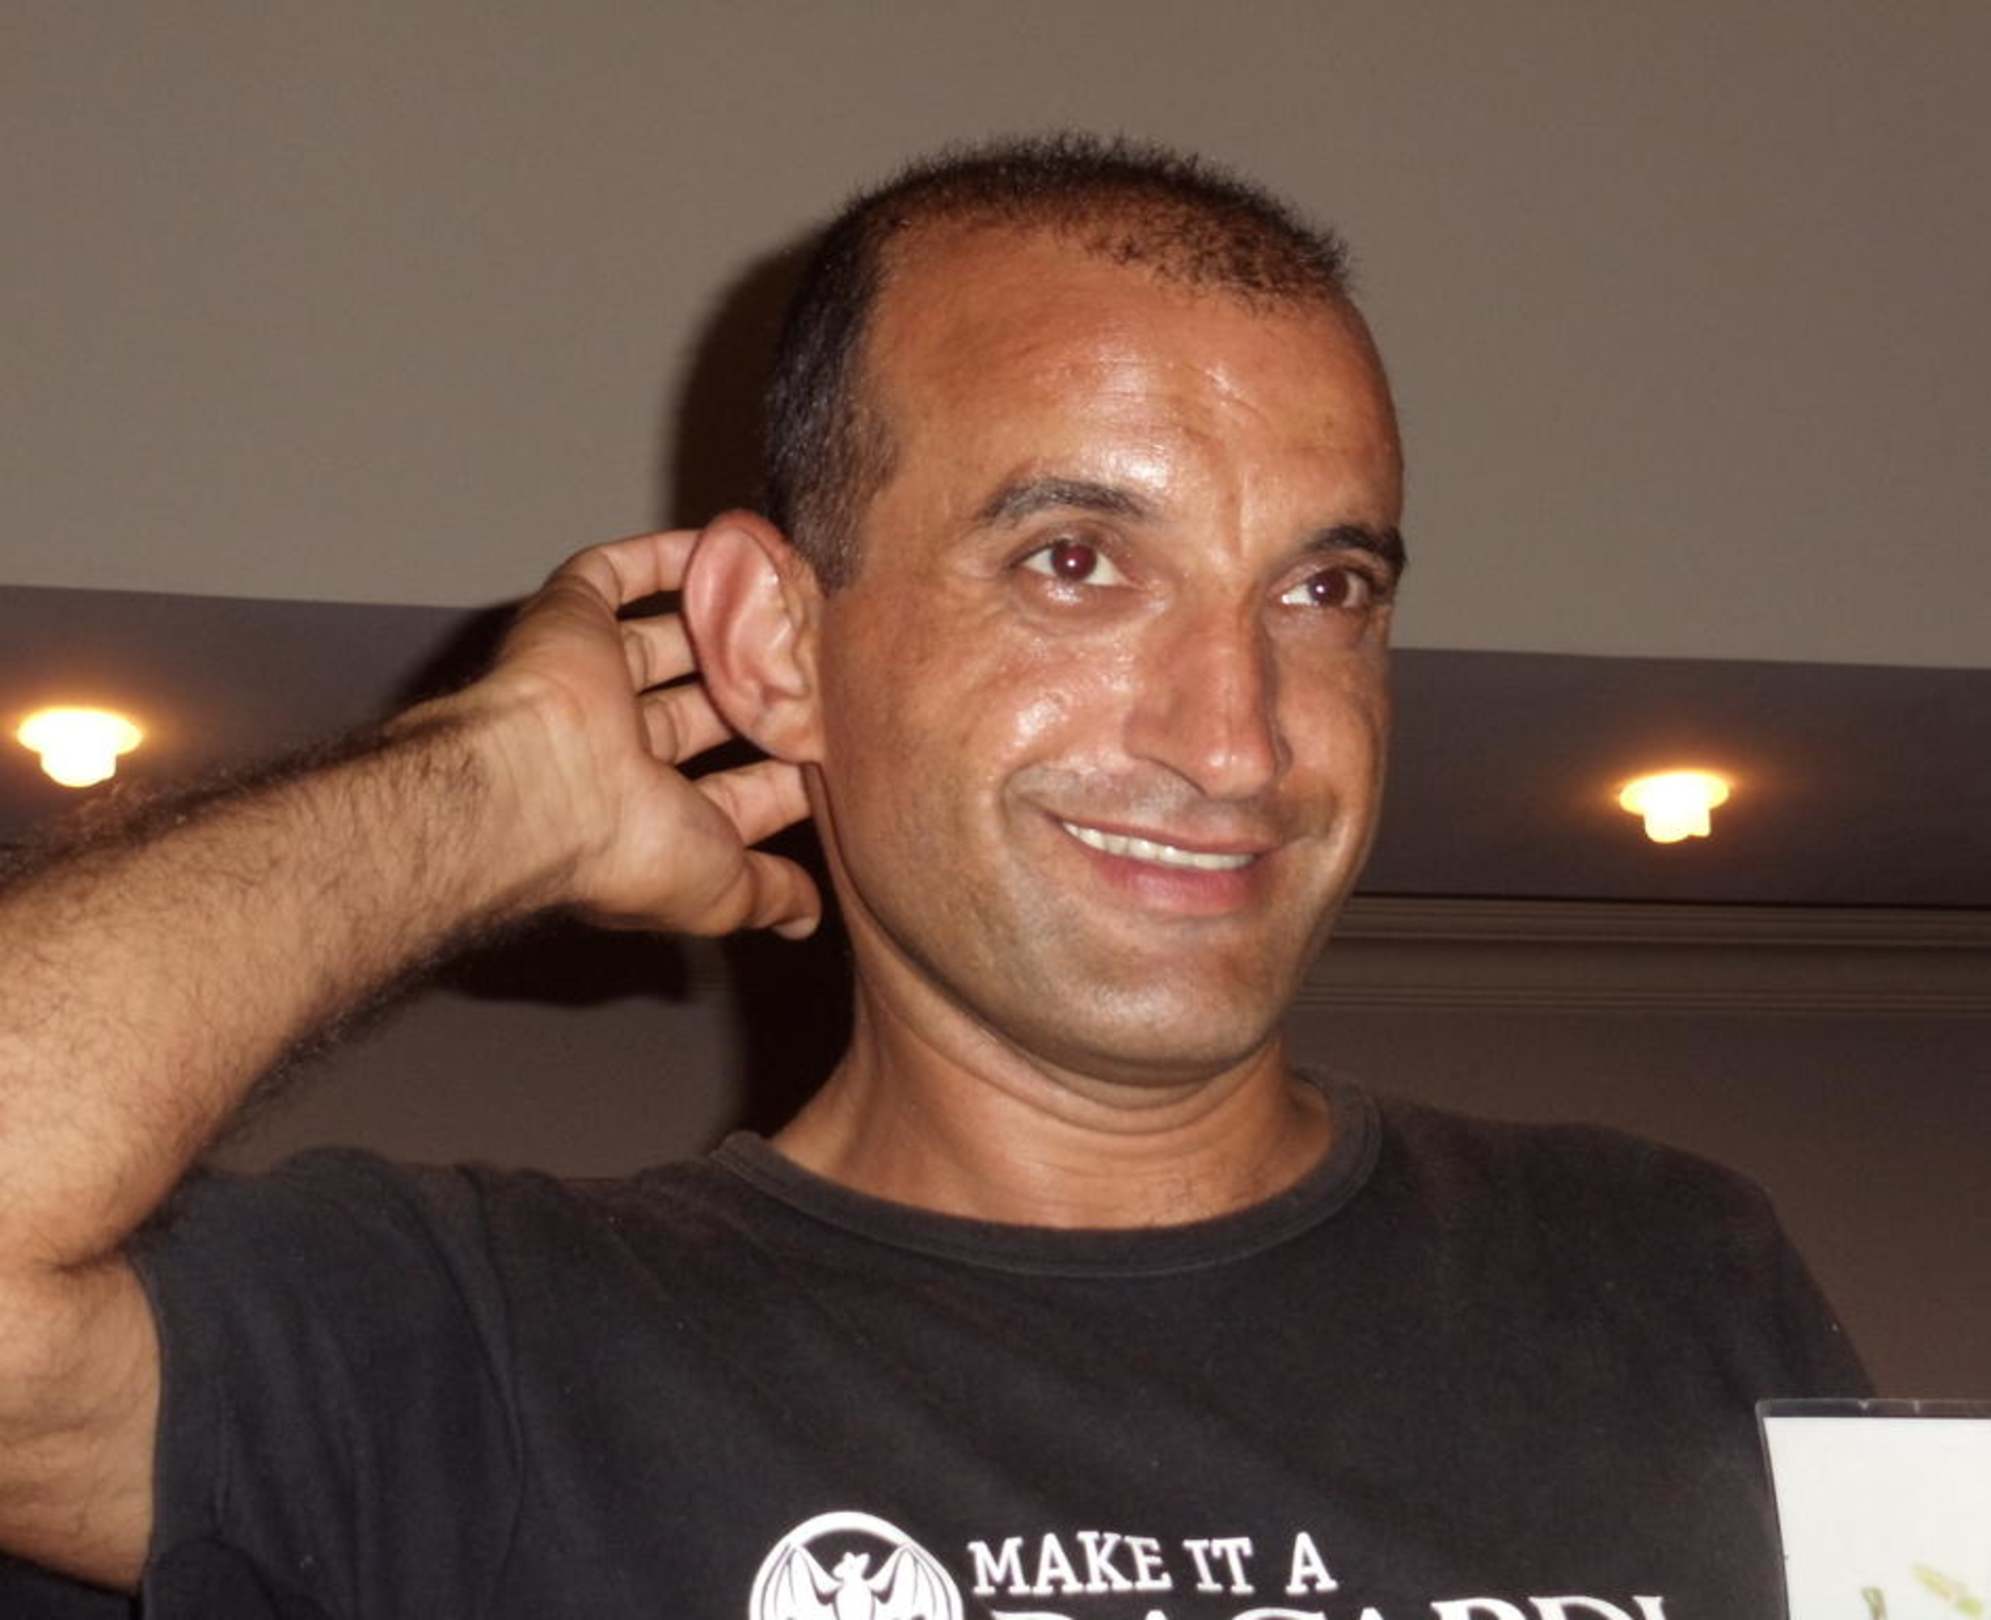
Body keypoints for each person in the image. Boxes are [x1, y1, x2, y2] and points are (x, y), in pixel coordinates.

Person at [0, 135, 1864, 1618]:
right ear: (777, 643)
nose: (1240, 742)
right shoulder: (498, 1358)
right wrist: (492, 789)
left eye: (1324, 588)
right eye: (1076, 563)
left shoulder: (1660, 1273)